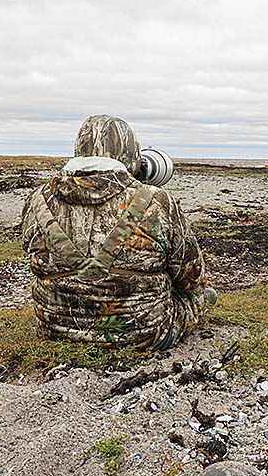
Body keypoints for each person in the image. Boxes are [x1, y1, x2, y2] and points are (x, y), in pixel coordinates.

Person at [22, 114, 213, 350]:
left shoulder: (37, 200)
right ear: (131, 154)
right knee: (200, 294)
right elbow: (191, 277)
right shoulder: (158, 200)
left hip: (55, 331)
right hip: (144, 337)